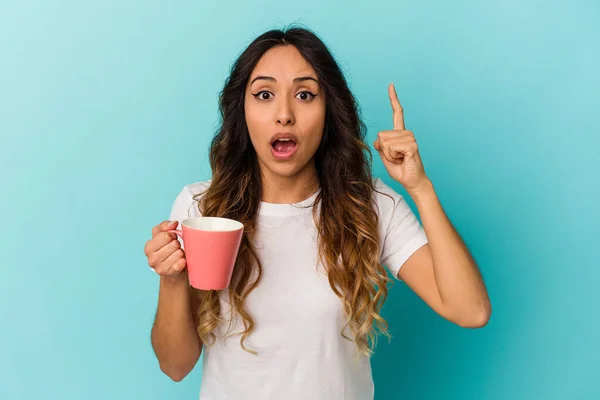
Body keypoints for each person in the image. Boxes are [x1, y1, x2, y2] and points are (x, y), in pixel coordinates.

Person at [143, 26, 491, 400]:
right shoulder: (201, 208)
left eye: (305, 94)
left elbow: (470, 311)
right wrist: (172, 280)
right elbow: (175, 366)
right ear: (242, 111)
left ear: (329, 111)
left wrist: (420, 187)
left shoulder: (368, 205)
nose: (284, 115)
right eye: (264, 94)